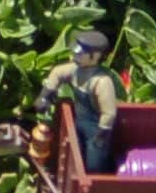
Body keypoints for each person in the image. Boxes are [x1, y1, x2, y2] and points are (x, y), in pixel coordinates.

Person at [38, 28, 122, 176]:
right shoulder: (76, 70)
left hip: (95, 128)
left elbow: (109, 112)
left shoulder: (102, 82)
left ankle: (97, 182)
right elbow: (57, 73)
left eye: (80, 53)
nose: (75, 55)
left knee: (94, 162)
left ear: (95, 56)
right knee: (76, 154)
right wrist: (45, 95)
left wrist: (102, 134)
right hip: (79, 121)